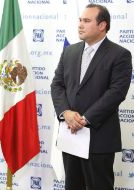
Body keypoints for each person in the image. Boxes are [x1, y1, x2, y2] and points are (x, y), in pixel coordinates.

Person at [51, 4, 132, 190]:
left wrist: (84, 119)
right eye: (80, 20)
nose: (80, 25)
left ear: (102, 25)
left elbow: (116, 92)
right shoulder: (69, 51)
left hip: (99, 137)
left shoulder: (120, 55)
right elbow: (57, 85)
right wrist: (66, 113)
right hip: (70, 135)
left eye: (86, 21)